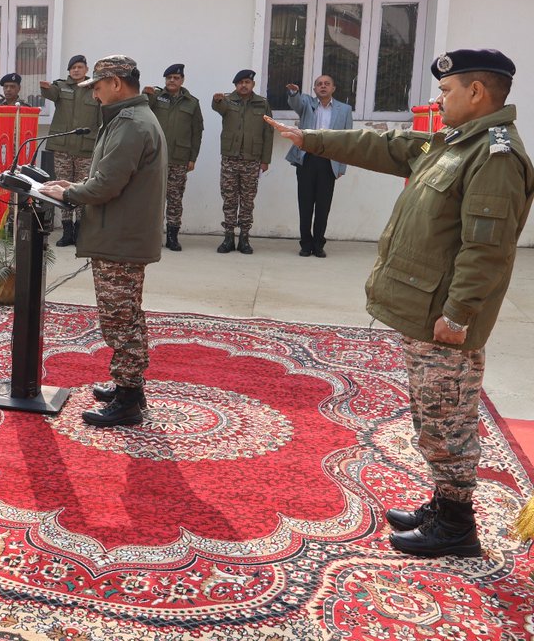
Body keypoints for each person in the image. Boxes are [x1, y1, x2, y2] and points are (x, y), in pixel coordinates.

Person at [265, 48, 534, 558]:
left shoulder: (495, 156)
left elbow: (486, 250)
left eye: (448, 90)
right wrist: (311, 139)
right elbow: (385, 145)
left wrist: (458, 313)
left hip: (446, 320)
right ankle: (442, 505)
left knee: (448, 418)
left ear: (477, 92)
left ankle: (456, 527)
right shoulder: (457, 142)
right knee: (432, 416)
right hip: (428, 310)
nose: (439, 98)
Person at [42, 56, 166, 427]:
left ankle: (128, 400)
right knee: (128, 315)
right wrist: (72, 187)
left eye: (96, 86)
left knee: (119, 319)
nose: (94, 95)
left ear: (115, 83)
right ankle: (131, 387)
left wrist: (70, 194)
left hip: (120, 237)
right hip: (121, 232)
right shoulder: (129, 118)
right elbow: (106, 176)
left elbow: (107, 185)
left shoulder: (130, 123)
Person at [285, 75, 354, 257]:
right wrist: (294, 92)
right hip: (306, 159)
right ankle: (305, 244)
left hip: (329, 161)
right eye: (319, 84)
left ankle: (318, 244)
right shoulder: (307, 103)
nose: (323, 87)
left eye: (327, 84)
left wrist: (342, 167)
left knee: (323, 206)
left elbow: (347, 140)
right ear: (314, 89)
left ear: (333, 88)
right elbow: (296, 103)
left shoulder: (345, 110)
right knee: (305, 203)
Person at [40, 55, 101, 247]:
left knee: (82, 188)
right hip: (63, 147)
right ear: (69, 71)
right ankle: (67, 231)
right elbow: (50, 94)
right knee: (62, 188)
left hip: (86, 148)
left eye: (80, 67)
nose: (76, 70)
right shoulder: (61, 87)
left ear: (86, 69)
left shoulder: (94, 88)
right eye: (73, 67)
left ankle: (81, 230)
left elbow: (101, 118)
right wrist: (44, 87)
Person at [212, 69, 272, 254]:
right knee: (229, 199)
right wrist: (217, 100)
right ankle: (228, 237)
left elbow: (268, 132)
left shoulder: (262, 103)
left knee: (247, 201)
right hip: (230, 158)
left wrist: (265, 160)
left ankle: (244, 238)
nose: (243, 85)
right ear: (235, 85)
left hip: (251, 160)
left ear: (253, 84)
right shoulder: (228, 101)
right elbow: (218, 108)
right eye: (240, 83)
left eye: (247, 82)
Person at [146, 63, 204, 251]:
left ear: (182, 80)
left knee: (175, 199)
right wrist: (146, 94)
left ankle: (172, 237)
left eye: (176, 78)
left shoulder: (192, 103)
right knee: (154, 198)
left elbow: (197, 132)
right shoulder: (155, 97)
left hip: (179, 158)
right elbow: (142, 115)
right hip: (156, 157)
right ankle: (152, 236)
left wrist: (192, 157)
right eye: (169, 77)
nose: (172, 80)